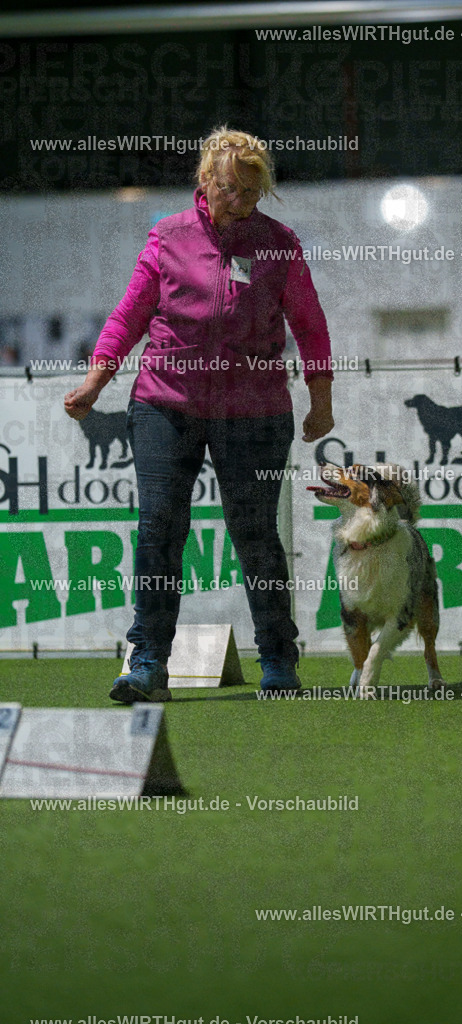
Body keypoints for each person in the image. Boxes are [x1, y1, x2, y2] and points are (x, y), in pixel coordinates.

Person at [64, 127, 334, 701]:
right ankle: (147, 664)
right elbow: (128, 317)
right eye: (234, 189)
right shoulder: (166, 236)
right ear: (206, 181)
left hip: (255, 412)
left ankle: (279, 662)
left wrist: (321, 399)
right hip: (166, 403)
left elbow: (310, 324)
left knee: (256, 535)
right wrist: (95, 382)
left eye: (254, 191)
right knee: (159, 530)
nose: (244, 201)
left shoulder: (278, 243)